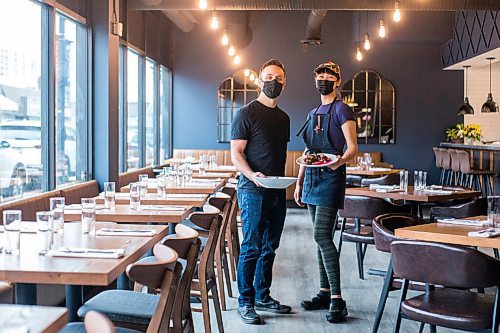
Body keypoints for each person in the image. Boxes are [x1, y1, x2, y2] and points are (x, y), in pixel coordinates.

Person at [294, 61, 358, 323]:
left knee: (322, 235)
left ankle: (338, 300)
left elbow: (353, 148)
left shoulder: (343, 110)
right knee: (319, 238)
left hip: (331, 176)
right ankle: (324, 292)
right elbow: (308, 153)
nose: (323, 78)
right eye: (320, 75)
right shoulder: (312, 113)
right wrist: (299, 182)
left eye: (328, 75)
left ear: (337, 81)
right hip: (311, 176)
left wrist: (338, 162)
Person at [231, 59, 291, 325]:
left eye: (278, 78)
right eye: (268, 77)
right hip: (251, 189)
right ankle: (245, 302)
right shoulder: (246, 113)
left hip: (277, 189)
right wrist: (252, 175)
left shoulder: (284, 118)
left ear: (284, 82)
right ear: (259, 80)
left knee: (270, 246)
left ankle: (262, 295)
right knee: (252, 246)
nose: (273, 82)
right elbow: (236, 153)